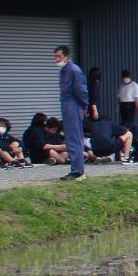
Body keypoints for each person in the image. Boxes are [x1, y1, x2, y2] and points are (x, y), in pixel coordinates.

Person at [56, 45, 89, 179]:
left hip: (73, 104)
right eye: (55, 56)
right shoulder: (64, 70)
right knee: (70, 137)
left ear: (66, 56)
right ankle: (75, 169)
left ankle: (78, 171)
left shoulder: (74, 70)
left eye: (58, 56)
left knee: (74, 137)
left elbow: (81, 90)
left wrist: (84, 105)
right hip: (66, 103)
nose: (56, 59)